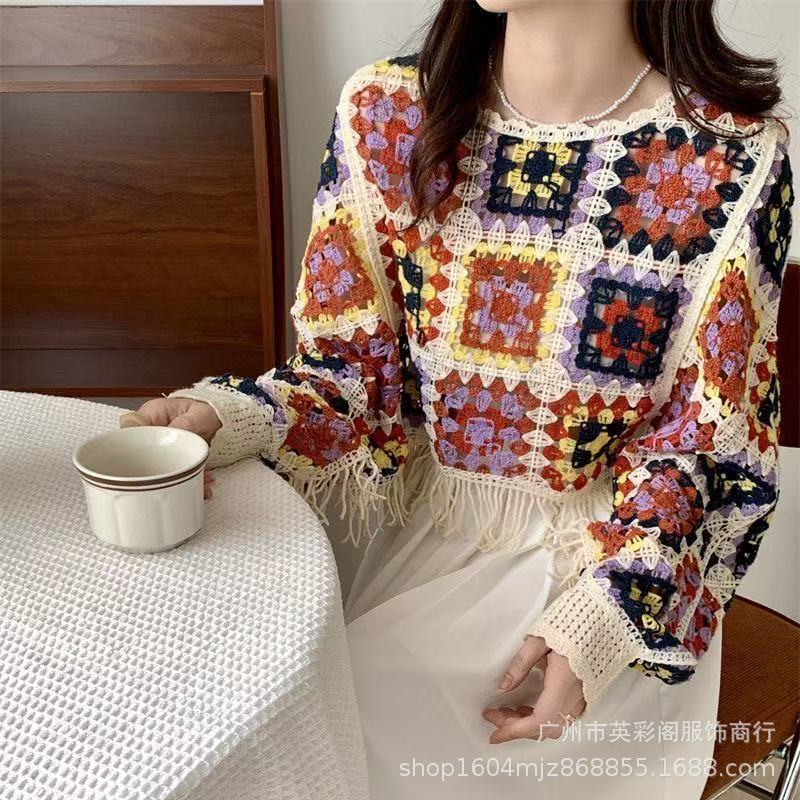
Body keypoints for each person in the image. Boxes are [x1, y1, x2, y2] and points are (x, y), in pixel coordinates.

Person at [132, 0, 794, 797]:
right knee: (216, 709)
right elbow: (351, 375)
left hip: (589, 582)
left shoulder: (733, 159)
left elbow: (704, 447)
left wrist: (608, 619)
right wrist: (236, 415)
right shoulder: (386, 114)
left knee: (325, 746)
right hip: (403, 538)